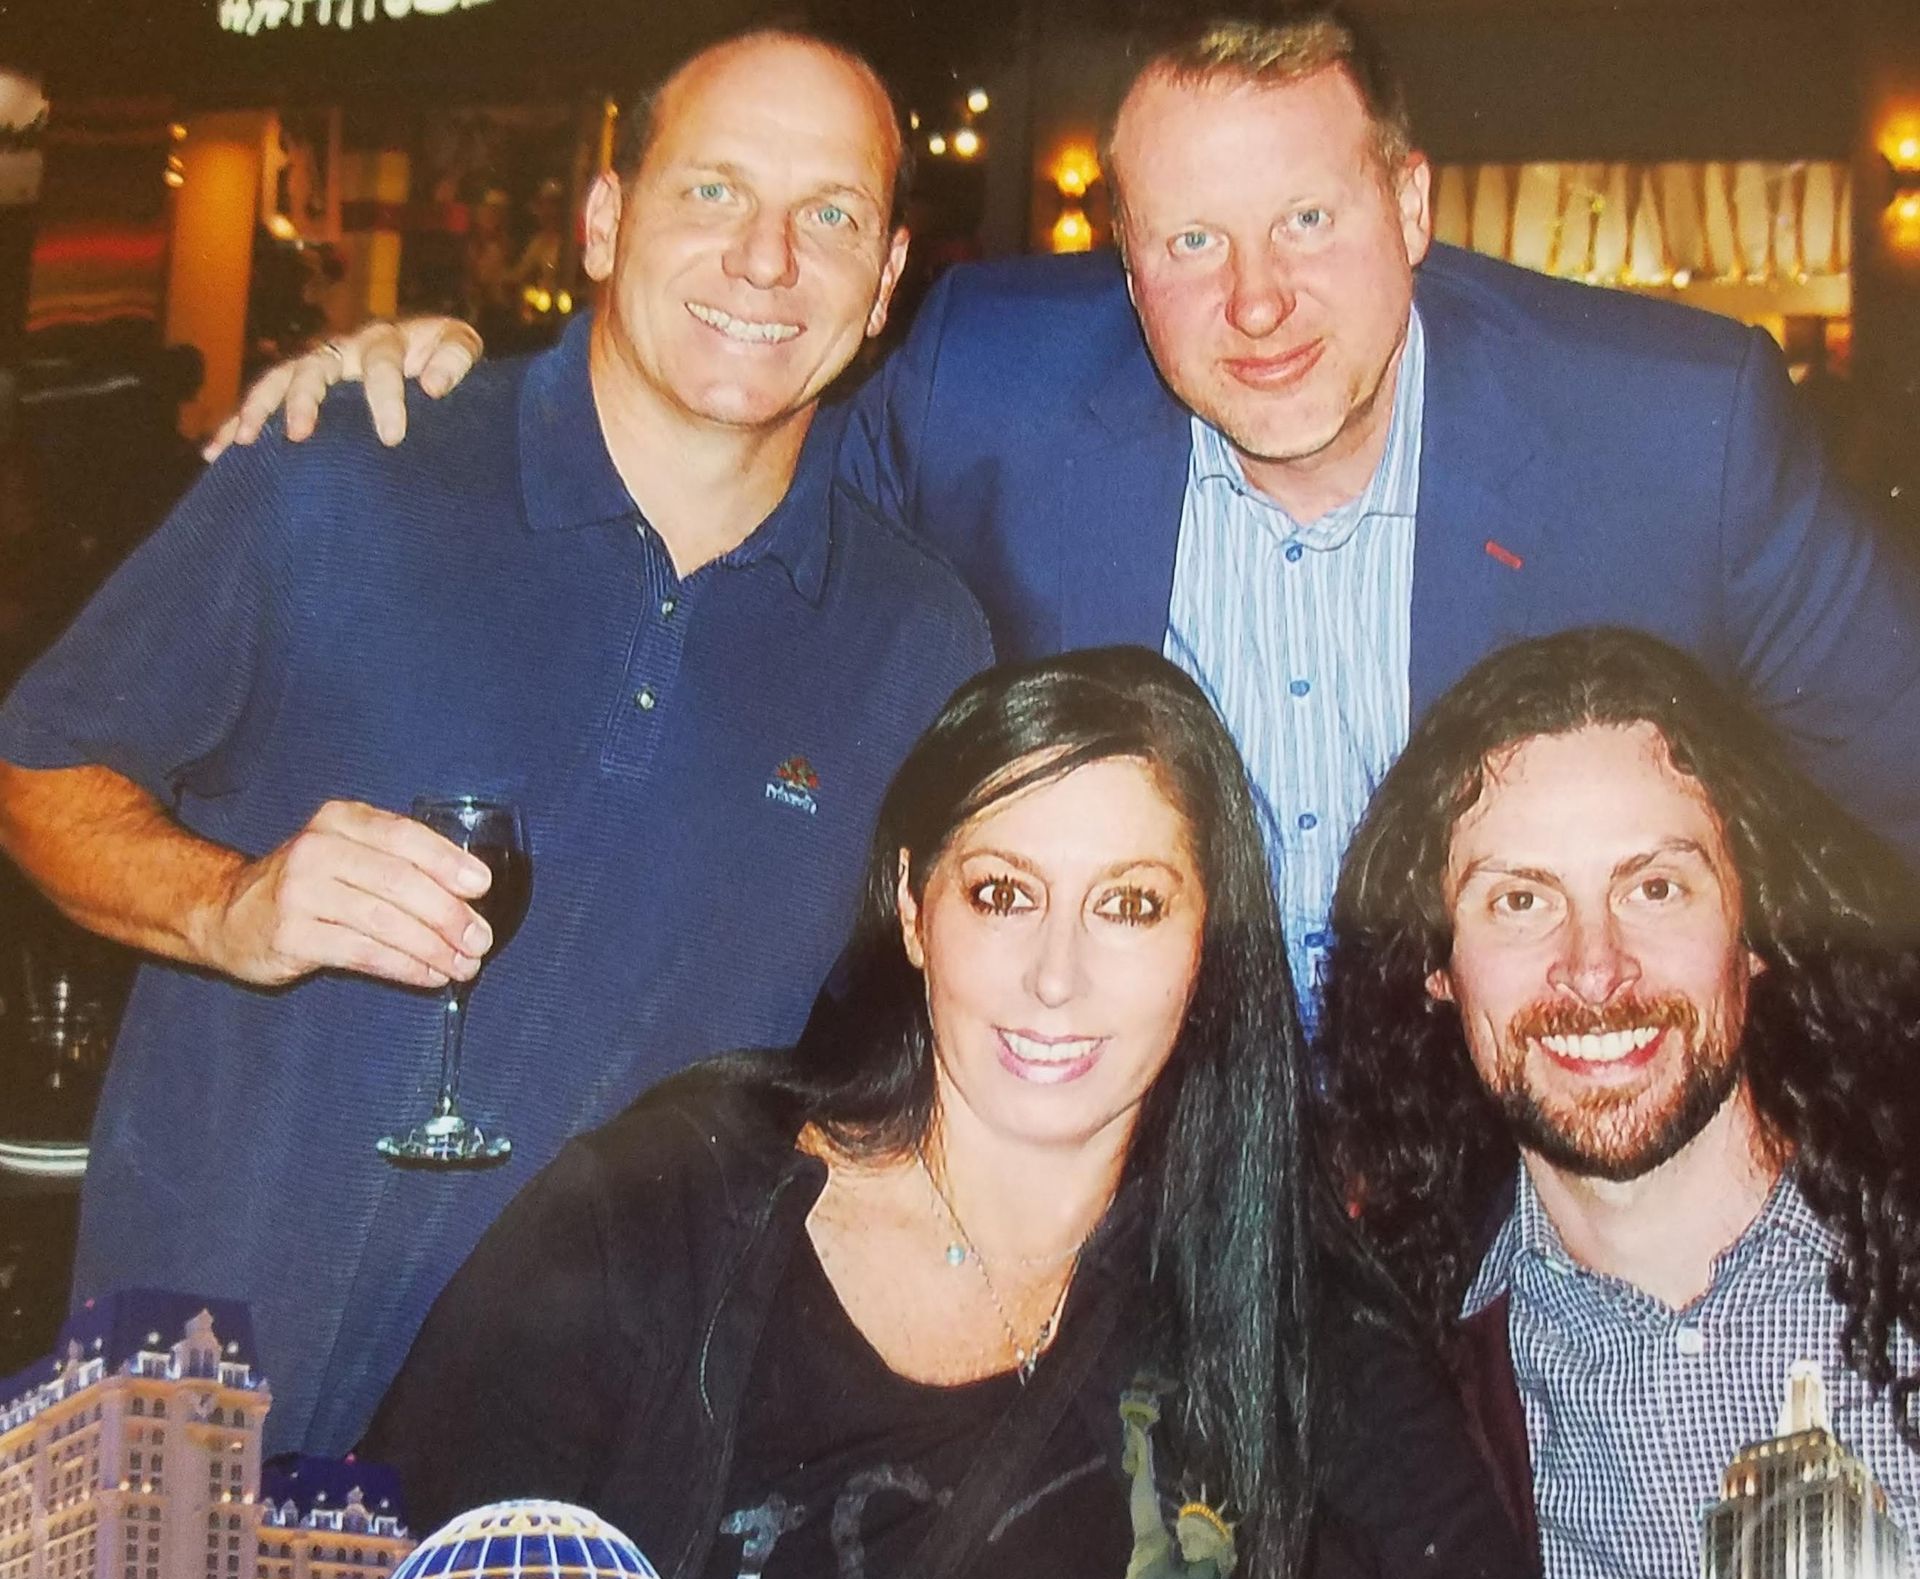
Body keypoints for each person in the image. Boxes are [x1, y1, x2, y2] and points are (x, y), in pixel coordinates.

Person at [234, 4, 1920, 1003]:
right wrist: (483, 373)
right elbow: (713, 468)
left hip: (1523, 1159)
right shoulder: (994, 382)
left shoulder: (1669, 429)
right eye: (1190, 243)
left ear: (1409, 202)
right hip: (1117, 1132)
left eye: (1310, 225)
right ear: (1123, 254)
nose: (1255, 302)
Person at [363, 649, 1565, 1579]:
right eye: (1003, 892)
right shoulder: (676, 1196)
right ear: (912, 905)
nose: (1058, 976)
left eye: (1132, 905)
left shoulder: (1266, 1288)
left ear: (1210, 940)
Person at [0, 29, 991, 1457]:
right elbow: (40, 765)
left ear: (887, 278)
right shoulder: (343, 473)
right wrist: (226, 905)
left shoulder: (919, 642)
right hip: (194, 1414)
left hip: (570, 1496)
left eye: (829, 215)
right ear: (604, 221)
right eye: (713, 192)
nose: (767, 260)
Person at [1315, 626, 1920, 1579]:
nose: (1594, 970)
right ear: (1435, 967)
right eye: (1520, 901)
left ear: (1759, 925)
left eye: (1655, 887)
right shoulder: (1408, 1372)